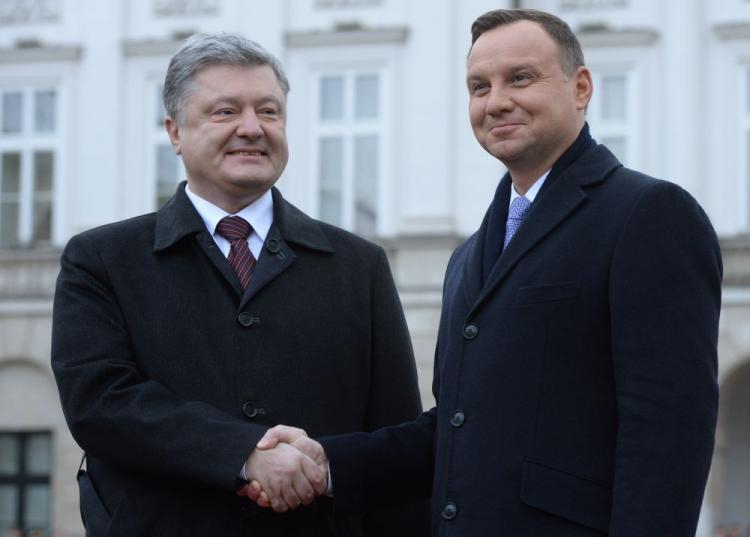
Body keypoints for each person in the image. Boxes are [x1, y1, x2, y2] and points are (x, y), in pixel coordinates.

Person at [248, 8, 723, 537]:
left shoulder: (648, 214)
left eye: (520, 78)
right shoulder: (468, 257)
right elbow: (455, 431)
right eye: (479, 86)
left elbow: (667, 431)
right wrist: (327, 463)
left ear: (581, 87)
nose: (497, 101)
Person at [51, 33, 429, 536]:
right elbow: (100, 405)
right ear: (175, 132)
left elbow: (393, 443)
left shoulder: (359, 267)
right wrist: (243, 453)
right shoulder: (102, 260)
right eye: (225, 112)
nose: (252, 128)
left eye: (269, 112)